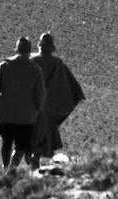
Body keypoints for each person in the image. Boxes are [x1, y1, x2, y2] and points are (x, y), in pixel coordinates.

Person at [0, 36, 46, 171]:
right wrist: (39, 109)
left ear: (16, 49)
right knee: (21, 145)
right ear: (29, 51)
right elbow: (40, 94)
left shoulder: (4, 66)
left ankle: (5, 167)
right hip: (26, 117)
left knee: (6, 142)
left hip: (6, 114)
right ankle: (13, 168)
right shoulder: (36, 70)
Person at [30, 32, 85, 167]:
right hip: (47, 110)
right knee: (42, 137)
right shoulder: (57, 63)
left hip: (32, 107)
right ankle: (32, 164)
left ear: (40, 45)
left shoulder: (31, 60)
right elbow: (70, 85)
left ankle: (18, 168)